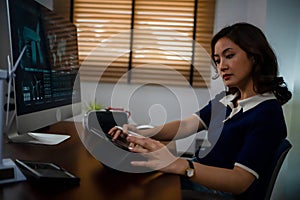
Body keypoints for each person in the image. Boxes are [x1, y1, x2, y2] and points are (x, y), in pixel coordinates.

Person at [108, 22, 292, 198]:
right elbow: (186, 125)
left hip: (218, 193)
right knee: (133, 177)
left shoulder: (267, 114)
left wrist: (180, 165)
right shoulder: (228, 100)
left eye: (229, 56)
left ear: (254, 57)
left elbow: (240, 181)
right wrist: (138, 132)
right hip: (197, 176)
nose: (222, 67)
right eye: (217, 60)